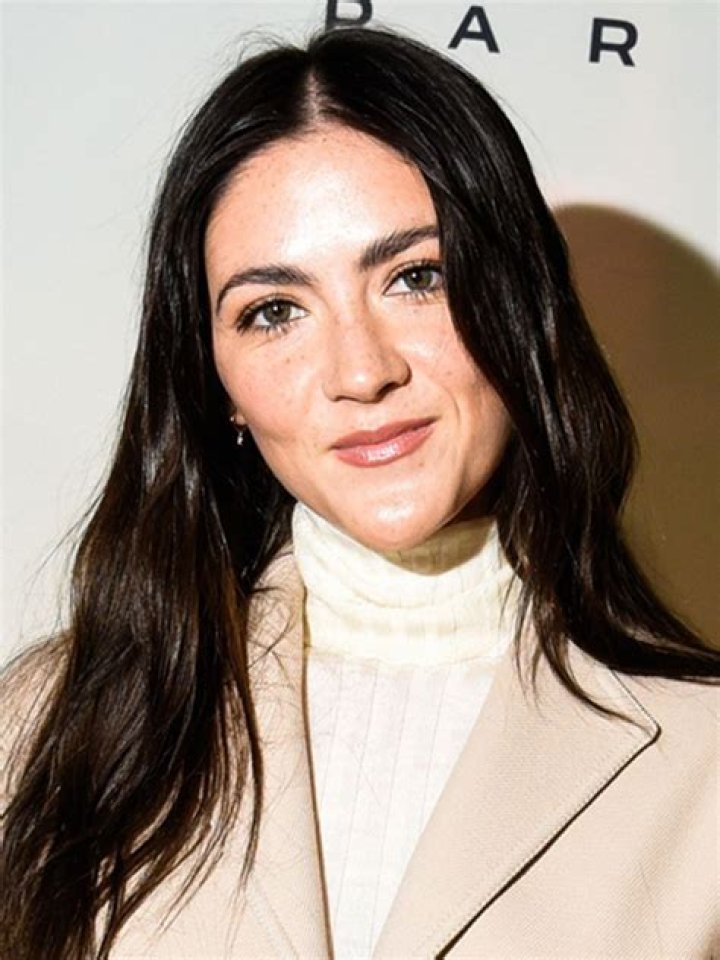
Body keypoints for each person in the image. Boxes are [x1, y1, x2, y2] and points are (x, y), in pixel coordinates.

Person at [1, 25, 718, 960]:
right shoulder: (48, 726)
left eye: (417, 278)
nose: (361, 372)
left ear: (520, 304)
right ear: (217, 385)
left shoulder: (703, 759)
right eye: (274, 312)